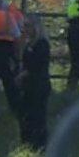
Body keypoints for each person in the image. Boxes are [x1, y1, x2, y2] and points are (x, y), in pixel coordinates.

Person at [18, 14, 51, 149]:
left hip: (39, 85)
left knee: (38, 116)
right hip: (28, 87)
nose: (24, 29)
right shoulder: (28, 44)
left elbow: (37, 65)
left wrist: (22, 75)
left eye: (27, 26)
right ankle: (27, 144)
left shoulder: (42, 44)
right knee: (26, 116)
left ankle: (40, 145)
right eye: (24, 26)